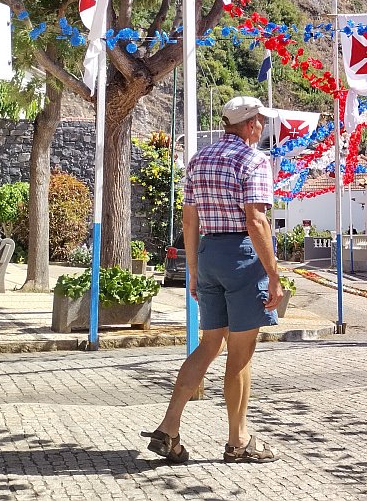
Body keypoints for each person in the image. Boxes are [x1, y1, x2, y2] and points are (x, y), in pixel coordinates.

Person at [144, 96, 284, 464]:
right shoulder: (254, 160)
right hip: (240, 256)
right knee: (239, 354)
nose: (263, 127)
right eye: (261, 121)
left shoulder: (198, 160)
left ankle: (169, 427)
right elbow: (255, 220)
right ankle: (238, 441)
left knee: (209, 346)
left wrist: (192, 270)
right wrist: (273, 274)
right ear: (250, 124)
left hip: (207, 255)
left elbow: (189, 221)